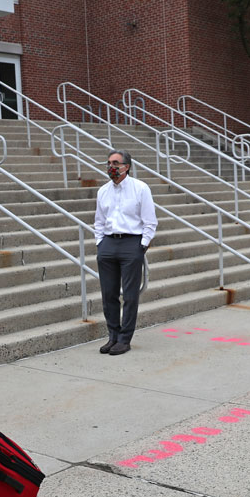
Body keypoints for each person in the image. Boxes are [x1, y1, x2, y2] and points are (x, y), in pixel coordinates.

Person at [94, 149, 158, 356]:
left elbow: (150, 221)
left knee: (130, 295)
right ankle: (112, 336)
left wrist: (142, 246)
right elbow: (99, 221)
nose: (111, 167)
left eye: (115, 163)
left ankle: (124, 339)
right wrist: (100, 243)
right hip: (108, 245)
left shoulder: (140, 188)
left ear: (126, 166)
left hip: (132, 244)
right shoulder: (103, 191)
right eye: (109, 163)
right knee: (108, 294)